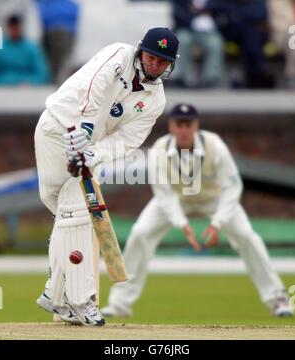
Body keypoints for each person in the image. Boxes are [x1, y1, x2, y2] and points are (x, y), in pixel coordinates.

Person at [34, 27, 179, 326]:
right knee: (69, 217)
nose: (154, 66)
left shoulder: (155, 100)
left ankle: (71, 298)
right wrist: (84, 128)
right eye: (151, 57)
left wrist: (92, 153)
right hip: (57, 129)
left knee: (75, 217)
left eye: (161, 62)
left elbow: (127, 140)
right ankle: (61, 295)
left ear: (170, 64)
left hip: (89, 148)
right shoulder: (119, 54)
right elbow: (94, 86)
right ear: (141, 51)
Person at [101, 103, 294, 318]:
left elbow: (232, 187)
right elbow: (163, 193)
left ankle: (277, 298)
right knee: (140, 233)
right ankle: (120, 304)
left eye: (188, 124)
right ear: (172, 127)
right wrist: (183, 225)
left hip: (213, 198)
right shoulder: (160, 149)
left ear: (196, 125)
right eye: (179, 124)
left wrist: (217, 223)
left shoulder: (215, 145)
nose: (183, 129)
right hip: (177, 199)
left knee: (247, 236)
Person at [170, 0, 224, 88]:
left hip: (209, 32)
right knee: (182, 41)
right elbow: (178, 16)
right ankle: (181, 77)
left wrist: (202, 10)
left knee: (215, 43)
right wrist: (198, 13)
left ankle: (210, 79)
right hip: (186, 28)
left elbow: (221, 11)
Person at [35, 0, 80, 84]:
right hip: (49, 34)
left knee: (62, 63)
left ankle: (57, 81)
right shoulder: (44, 4)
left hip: (63, 35)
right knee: (49, 63)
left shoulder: (71, 5)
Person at [0, 14, 50, 85]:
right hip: (3, 88)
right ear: (8, 28)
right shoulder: (0, 49)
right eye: (12, 27)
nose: (15, 30)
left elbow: (42, 74)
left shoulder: (32, 48)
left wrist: (31, 82)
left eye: (16, 27)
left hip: (27, 89)